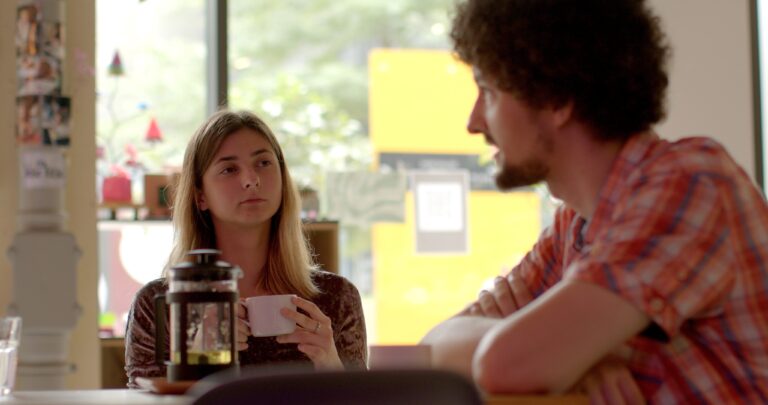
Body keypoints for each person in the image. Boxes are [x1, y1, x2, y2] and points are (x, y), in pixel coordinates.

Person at [421, 0, 768, 403]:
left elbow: (506, 366)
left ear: (556, 100)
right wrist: (564, 353)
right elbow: (431, 348)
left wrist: (541, 350)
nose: (474, 121)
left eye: (489, 92)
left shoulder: (691, 182)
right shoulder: (575, 225)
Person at [125, 110, 367, 388]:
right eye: (229, 169)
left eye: (263, 163)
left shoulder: (336, 298)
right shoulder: (159, 305)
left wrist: (331, 365)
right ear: (200, 196)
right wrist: (198, 360)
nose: (251, 179)